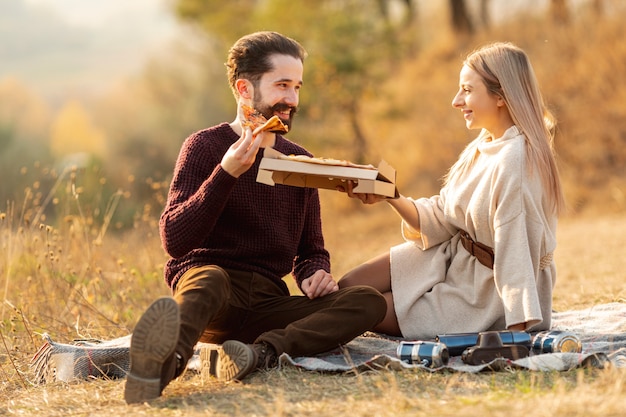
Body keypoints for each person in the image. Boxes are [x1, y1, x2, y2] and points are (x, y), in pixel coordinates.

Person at [124, 31, 387, 404]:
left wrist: (314, 273)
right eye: (282, 86)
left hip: (268, 303)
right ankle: (159, 367)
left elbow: (310, 250)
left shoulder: (300, 161)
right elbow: (174, 240)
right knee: (209, 279)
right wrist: (226, 173)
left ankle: (259, 354)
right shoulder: (205, 146)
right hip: (212, 294)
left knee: (367, 301)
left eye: (296, 87)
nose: (292, 99)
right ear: (244, 89)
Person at [338, 42, 565, 340]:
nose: (456, 101)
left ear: (501, 96)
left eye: (467, 90)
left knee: (360, 308)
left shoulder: (515, 161)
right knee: (348, 287)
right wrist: (390, 195)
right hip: (453, 259)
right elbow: (445, 214)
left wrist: (519, 330)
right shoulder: (484, 144)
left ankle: (282, 328)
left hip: (483, 293)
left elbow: (515, 250)